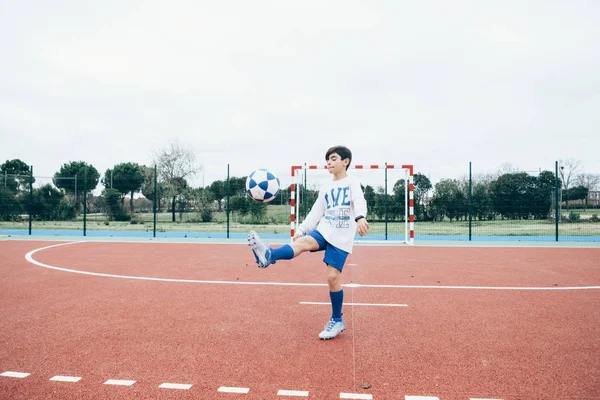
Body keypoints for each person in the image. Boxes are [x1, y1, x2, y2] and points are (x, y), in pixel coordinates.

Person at [248, 145, 369, 340]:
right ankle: (268, 254)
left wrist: (361, 217)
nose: (329, 162)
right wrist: (302, 229)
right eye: (328, 159)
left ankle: (337, 320)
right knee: (303, 243)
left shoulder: (352, 182)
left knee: (332, 278)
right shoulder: (326, 187)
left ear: (345, 162)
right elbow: (316, 212)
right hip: (324, 229)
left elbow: (359, 201)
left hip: (341, 237)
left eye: (334, 158)